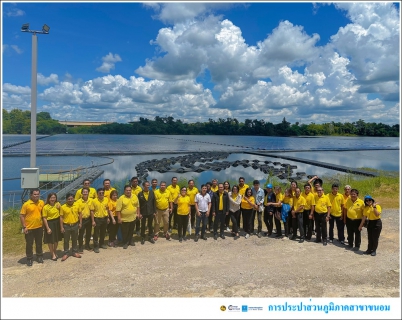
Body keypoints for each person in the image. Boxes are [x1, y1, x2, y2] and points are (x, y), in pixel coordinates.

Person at [20, 188, 45, 266]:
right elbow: (22, 216)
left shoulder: (41, 202)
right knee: (29, 244)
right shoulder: (26, 204)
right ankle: (29, 258)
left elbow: (44, 212)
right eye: (34, 194)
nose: (36, 196)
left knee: (39, 243)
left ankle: (39, 256)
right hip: (29, 228)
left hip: (39, 227)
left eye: (38, 194)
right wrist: (24, 227)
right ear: (31, 195)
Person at [60, 193, 81, 261]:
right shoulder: (63, 207)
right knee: (66, 240)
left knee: (75, 239)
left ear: (73, 199)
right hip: (66, 226)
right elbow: (61, 217)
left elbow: (80, 214)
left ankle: (74, 252)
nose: (70, 200)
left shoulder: (77, 205)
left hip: (75, 225)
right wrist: (61, 227)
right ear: (66, 199)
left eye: (71, 199)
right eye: (68, 199)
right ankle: (66, 253)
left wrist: (80, 223)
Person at [42, 193, 62, 261]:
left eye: (54, 197)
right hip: (49, 223)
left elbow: (61, 214)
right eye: (51, 198)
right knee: (50, 240)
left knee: (56, 239)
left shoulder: (58, 204)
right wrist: (47, 228)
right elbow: (44, 218)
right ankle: (52, 254)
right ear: (48, 198)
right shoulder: (45, 207)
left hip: (57, 223)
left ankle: (54, 251)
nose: (53, 199)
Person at [90, 188, 110, 253]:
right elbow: (92, 211)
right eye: (100, 193)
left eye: (102, 193)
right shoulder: (94, 201)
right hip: (97, 219)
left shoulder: (106, 199)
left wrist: (108, 218)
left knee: (103, 232)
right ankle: (96, 246)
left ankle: (101, 244)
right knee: (96, 233)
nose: (101, 194)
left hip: (104, 218)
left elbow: (107, 209)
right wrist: (93, 221)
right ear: (97, 194)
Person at [76, 187, 93, 252]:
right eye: (84, 192)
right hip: (81, 220)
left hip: (89, 219)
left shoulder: (91, 200)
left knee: (88, 233)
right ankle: (80, 246)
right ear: (81, 193)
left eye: (86, 192)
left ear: (88, 193)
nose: (85, 193)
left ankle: (87, 245)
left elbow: (92, 210)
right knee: (81, 234)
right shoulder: (78, 202)